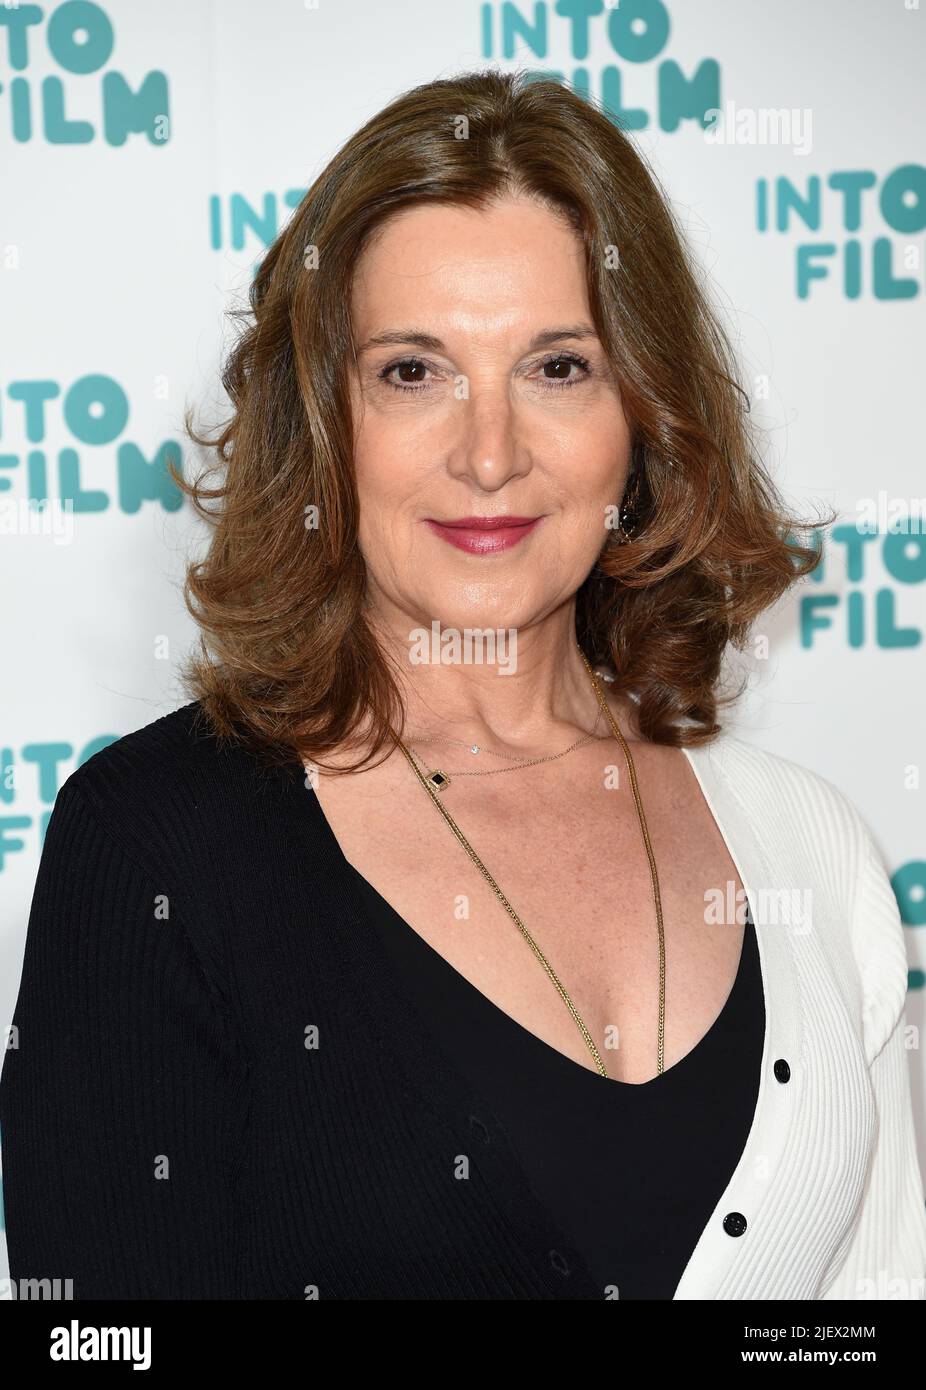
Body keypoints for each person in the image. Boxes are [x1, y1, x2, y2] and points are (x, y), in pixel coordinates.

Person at [2, 69, 924, 1301]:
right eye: (411, 371)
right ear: (322, 421)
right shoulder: (156, 843)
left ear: (644, 414)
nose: (488, 453)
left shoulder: (807, 843)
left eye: (556, 367)